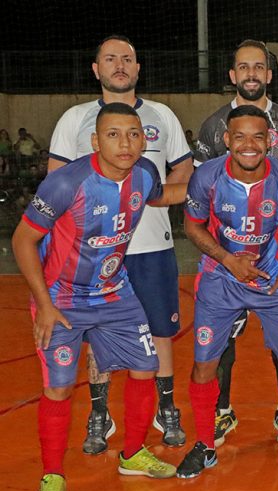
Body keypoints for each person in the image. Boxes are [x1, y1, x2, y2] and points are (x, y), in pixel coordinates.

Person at [13, 103, 188, 491]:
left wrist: (220, 179)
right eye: (113, 134)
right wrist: (44, 304)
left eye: (133, 133)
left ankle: (132, 455)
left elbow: (165, 195)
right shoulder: (66, 183)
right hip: (63, 300)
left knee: (146, 366)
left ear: (144, 139)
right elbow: (23, 241)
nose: (125, 143)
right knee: (57, 387)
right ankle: (52, 475)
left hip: (115, 293)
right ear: (95, 141)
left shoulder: (145, 173)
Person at [47, 35, 193, 453]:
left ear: (138, 67)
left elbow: (185, 175)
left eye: (127, 58)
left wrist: (151, 196)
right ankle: (100, 413)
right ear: (96, 69)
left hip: (151, 245)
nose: (119, 65)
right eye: (110, 59)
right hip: (93, 254)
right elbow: (55, 184)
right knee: (96, 334)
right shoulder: (74, 119)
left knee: (161, 330)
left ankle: (166, 408)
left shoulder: (162, 115)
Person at [176, 105, 278, 478]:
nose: (249, 145)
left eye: (258, 136)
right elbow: (193, 228)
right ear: (226, 140)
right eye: (240, 137)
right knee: (205, 364)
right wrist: (226, 259)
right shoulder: (206, 176)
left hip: (272, 281)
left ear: (271, 141)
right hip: (220, 281)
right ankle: (205, 444)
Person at [194, 39, 278, 449]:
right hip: (226, 259)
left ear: (269, 75)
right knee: (220, 340)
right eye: (243, 67)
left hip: (276, 257)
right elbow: (202, 195)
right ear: (232, 75)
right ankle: (220, 411)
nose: (251, 74)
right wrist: (223, 257)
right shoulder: (212, 126)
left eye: (258, 67)